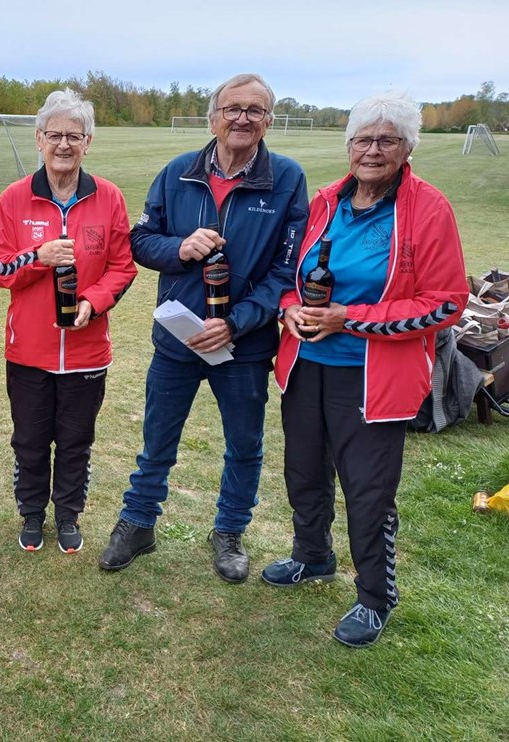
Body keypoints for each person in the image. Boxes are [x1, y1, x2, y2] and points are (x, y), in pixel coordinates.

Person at [263, 93, 468, 647]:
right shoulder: (327, 200)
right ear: (348, 145)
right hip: (306, 365)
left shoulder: (428, 208)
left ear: (407, 148)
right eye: (363, 139)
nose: (373, 150)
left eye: (387, 140)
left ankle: (375, 597)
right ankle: (313, 555)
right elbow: (290, 274)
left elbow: (446, 302)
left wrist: (347, 319)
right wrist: (289, 309)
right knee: (303, 470)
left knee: (367, 489)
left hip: (373, 377)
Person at [98, 73, 309, 581]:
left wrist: (235, 324)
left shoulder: (286, 178)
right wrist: (179, 248)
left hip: (244, 343)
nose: (242, 118)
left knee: (244, 444)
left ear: (269, 121)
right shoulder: (178, 172)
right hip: (177, 337)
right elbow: (140, 241)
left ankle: (229, 531)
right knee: (157, 439)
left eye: (254, 111)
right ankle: (139, 521)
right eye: (233, 108)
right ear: (213, 116)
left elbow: (288, 270)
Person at [0, 89, 137, 554]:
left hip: (87, 350)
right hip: (28, 350)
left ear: (88, 142)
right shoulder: (15, 198)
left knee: (75, 443)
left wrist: (94, 300)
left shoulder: (108, 197)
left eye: (75, 135)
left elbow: (123, 266)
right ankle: (32, 514)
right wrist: (38, 256)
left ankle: (68, 514)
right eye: (56, 135)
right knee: (30, 442)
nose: (64, 145)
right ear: (39, 138)